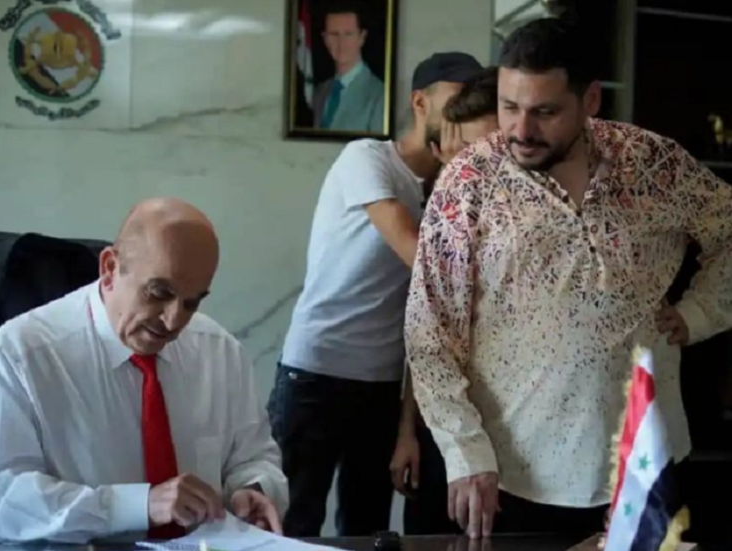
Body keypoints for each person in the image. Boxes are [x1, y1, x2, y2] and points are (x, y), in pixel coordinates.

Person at [405, 17, 732, 541]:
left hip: (648, 460)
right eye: (509, 107)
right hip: (513, 477)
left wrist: (700, 313)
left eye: (545, 112)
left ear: (590, 101)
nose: (521, 130)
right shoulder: (467, 183)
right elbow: (429, 334)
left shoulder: (654, 165)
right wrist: (464, 450)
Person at [0, 198, 288, 543]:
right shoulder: (22, 353)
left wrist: (252, 490)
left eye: (191, 302)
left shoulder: (219, 350)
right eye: (159, 293)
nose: (174, 321)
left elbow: (255, 457)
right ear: (109, 269)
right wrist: (138, 505)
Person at [267, 52, 486, 537]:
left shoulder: (453, 186)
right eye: (458, 99)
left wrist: (408, 425)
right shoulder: (367, 158)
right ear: (420, 103)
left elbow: (433, 314)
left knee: (365, 529)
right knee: (291, 523)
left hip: (383, 384)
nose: (467, 114)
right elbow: (421, 258)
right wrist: (457, 174)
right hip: (317, 371)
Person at [389, 67, 500, 537]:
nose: (478, 168)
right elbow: (427, 338)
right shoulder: (445, 213)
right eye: (466, 153)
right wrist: (408, 433)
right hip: (443, 430)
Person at [313, 1, 384, 133]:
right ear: (324, 38)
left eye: (348, 34)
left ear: (362, 37)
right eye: (334, 34)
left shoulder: (379, 95)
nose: (341, 42)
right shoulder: (320, 92)